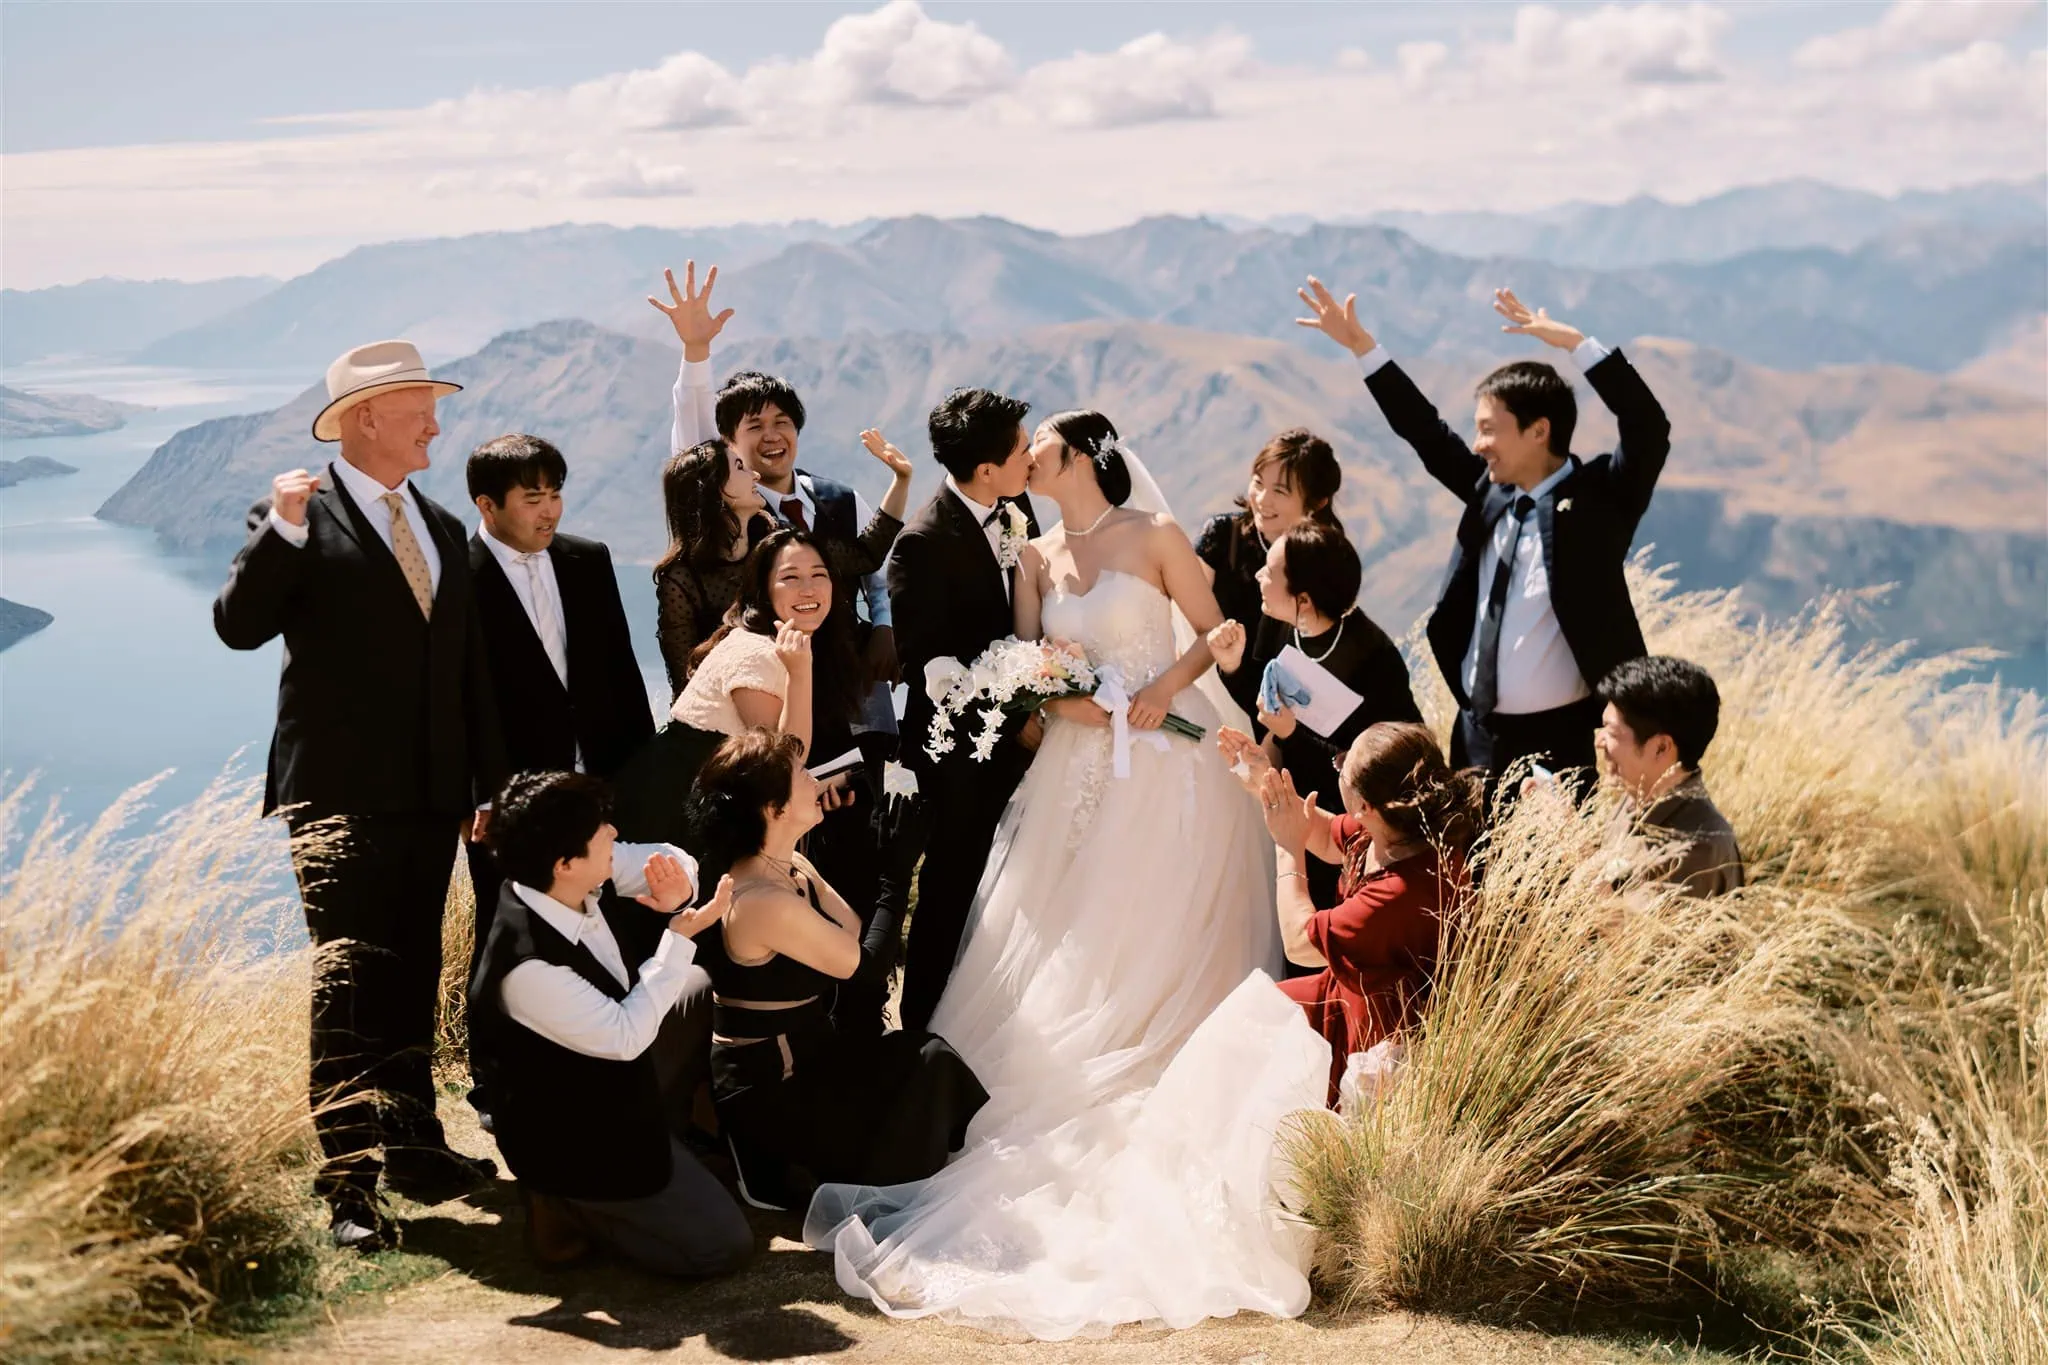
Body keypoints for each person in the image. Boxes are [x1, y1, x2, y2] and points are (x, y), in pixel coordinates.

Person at [804, 411, 1328, 1338]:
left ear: (1081, 457)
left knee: (1162, 922)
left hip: (1171, 763)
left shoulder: (1155, 536)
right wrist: (1063, 701)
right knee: (1068, 929)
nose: (1030, 456)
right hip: (1077, 768)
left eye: (1041, 446)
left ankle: (1174, 1070)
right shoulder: (1035, 555)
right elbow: (1026, 662)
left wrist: (1167, 688)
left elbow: (1218, 630)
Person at [213, 340, 503, 1251]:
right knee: (347, 989)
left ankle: (415, 1146)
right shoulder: (295, 515)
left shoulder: (445, 528)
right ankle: (348, 1184)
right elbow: (238, 626)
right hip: (335, 800)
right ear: (364, 418)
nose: (436, 420)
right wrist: (285, 528)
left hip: (428, 801)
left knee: (414, 974)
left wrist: (483, 787)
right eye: (421, 403)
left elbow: (468, 674)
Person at [1297, 279, 1672, 801]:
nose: (1479, 445)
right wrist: (1364, 349)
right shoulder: (1489, 493)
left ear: (1539, 431)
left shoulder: (1600, 503)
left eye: (1489, 430)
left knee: (1549, 877)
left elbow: (1648, 428)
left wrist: (1577, 346)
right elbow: (1427, 434)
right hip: (1476, 738)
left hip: (1560, 743)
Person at [689, 729, 988, 1211]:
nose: (815, 780)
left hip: (814, 1064)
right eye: (800, 776)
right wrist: (896, 873)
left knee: (921, 1056)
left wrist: (874, 850)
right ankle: (769, 1172)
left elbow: (850, 933)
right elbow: (867, 968)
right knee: (922, 1066)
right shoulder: (761, 899)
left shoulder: (790, 868)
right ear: (774, 809)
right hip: (774, 1096)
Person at [470, 770, 753, 1275]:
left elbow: (663, 857)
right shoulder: (527, 967)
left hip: (606, 1084)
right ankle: (566, 1204)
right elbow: (624, 1037)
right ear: (565, 863)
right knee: (723, 1246)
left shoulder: (558, 875)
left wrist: (679, 885)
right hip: (573, 1132)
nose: (616, 835)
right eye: (604, 831)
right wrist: (678, 936)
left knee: (691, 989)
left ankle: (667, 1138)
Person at [463, 433, 657, 1116]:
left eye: (555, 493)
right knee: (503, 930)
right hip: (509, 796)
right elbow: (454, 697)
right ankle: (494, 1083)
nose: (550, 510)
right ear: (488, 505)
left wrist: (640, 773)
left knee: (605, 918)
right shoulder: (457, 576)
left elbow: (621, 673)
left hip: (599, 778)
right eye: (532, 497)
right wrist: (477, 794)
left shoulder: (587, 559)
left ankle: (597, 1059)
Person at [652, 262, 910, 726]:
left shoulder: (841, 498)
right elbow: (692, 440)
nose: (772, 437)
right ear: (728, 442)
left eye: (783, 423)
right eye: (755, 427)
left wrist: (884, 627)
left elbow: (872, 565)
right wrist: (695, 353)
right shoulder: (739, 517)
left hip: (853, 691)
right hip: (766, 704)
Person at [671, 528, 889, 1034]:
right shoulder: (760, 653)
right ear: (762, 592)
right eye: (790, 578)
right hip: (689, 823)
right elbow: (779, 759)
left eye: (819, 575)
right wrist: (798, 670)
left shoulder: (797, 644)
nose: (809, 588)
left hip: (731, 816)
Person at [885, 387, 1043, 1033]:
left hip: (1024, 745)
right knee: (950, 894)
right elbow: (933, 674)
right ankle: (920, 1032)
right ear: (986, 469)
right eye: (1023, 450)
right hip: (958, 762)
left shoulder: (1014, 508)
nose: (1031, 461)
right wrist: (1018, 720)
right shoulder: (920, 545)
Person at [1224, 722, 1480, 1108]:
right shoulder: (1397, 830)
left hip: (1374, 1034)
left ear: (1365, 805)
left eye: (1342, 764)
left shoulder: (1397, 894)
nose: (1337, 763)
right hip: (1343, 991)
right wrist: (1264, 781)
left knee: (1261, 1054)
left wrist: (1286, 847)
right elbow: (1326, 835)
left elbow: (1298, 943)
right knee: (1245, 1021)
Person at [1208, 520, 1422, 917]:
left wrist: (1293, 734)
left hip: (1351, 823)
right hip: (1291, 801)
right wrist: (1234, 666)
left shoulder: (1372, 658)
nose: (1258, 575)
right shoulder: (1278, 624)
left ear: (1302, 599)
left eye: (1269, 572)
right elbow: (1265, 706)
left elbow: (1392, 763)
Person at [1194, 428, 1343, 723]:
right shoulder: (1223, 536)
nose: (1262, 499)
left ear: (1317, 502)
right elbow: (1185, 619)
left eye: (1280, 491)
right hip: (1207, 691)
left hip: (1278, 716)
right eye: (1259, 483)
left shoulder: (1325, 564)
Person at [1594, 656, 1745, 897]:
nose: (1599, 741)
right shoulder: (1636, 797)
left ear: (1661, 748)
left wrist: (1579, 858)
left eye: (1611, 732)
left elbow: (1631, 933)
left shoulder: (1699, 848)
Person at [651, 438, 772, 699]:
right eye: (740, 467)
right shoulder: (682, 579)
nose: (755, 474)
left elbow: (864, 556)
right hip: (723, 722)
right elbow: (685, 684)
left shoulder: (776, 545)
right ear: (715, 489)